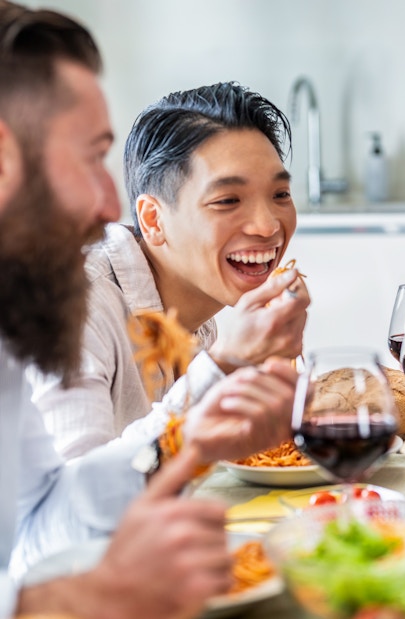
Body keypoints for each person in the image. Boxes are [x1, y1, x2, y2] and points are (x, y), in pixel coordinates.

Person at [0, 3, 298, 617]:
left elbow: (42, 523)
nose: (108, 203)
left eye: (280, 193)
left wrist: (197, 428)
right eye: (90, 157)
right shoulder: (78, 299)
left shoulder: (199, 306)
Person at [28, 81, 310, 459]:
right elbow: (76, 493)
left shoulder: (197, 305)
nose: (268, 226)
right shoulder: (73, 307)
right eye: (228, 200)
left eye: (280, 195)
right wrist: (222, 363)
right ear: (153, 219)